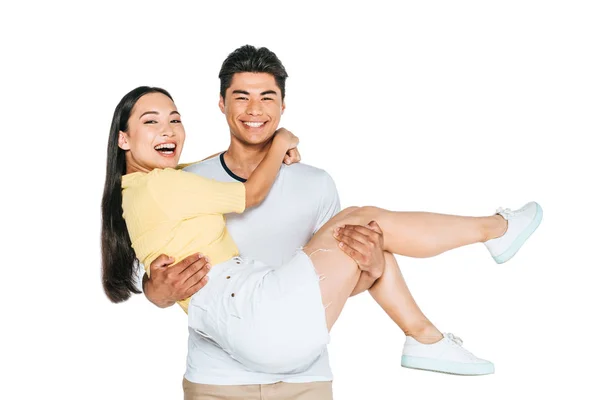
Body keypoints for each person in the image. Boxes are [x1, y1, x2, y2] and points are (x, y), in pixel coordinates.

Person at [102, 82, 542, 383]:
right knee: (364, 217)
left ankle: (426, 338)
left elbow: (193, 180)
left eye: (175, 119)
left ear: (281, 103)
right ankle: (496, 229)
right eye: (151, 122)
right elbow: (251, 194)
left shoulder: (141, 190)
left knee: (372, 242)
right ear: (124, 140)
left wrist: (271, 153)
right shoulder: (166, 184)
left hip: (256, 331)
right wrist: (281, 142)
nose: (168, 130)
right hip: (252, 316)